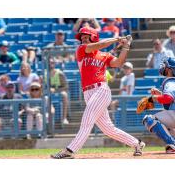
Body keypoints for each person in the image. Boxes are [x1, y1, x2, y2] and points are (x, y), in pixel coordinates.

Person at [51, 27, 145, 159]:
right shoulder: (81, 50)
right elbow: (100, 45)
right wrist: (118, 39)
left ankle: (70, 150)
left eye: (86, 36)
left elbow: (118, 62)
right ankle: (137, 143)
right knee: (108, 129)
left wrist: (126, 46)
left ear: (93, 37)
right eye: (82, 36)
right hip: (88, 93)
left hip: (101, 90)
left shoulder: (104, 55)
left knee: (87, 120)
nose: (82, 38)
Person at [141, 57, 175, 154]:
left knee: (149, 119)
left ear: (169, 69)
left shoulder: (170, 82)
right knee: (165, 126)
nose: (163, 67)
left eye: (165, 65)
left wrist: (152, 98)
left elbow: (168, 99)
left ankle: (172, 145)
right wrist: (160, 94)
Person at [49, 58, 69, 125]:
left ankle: (64, 118)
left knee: (64, 95)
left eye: (52, 62)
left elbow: (66, 87)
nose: (50, 64)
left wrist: (56, 90)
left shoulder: (59, 73)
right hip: (48, 93)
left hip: (59, 91)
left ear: (54, 64)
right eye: (49, 62)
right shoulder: (45, 73)